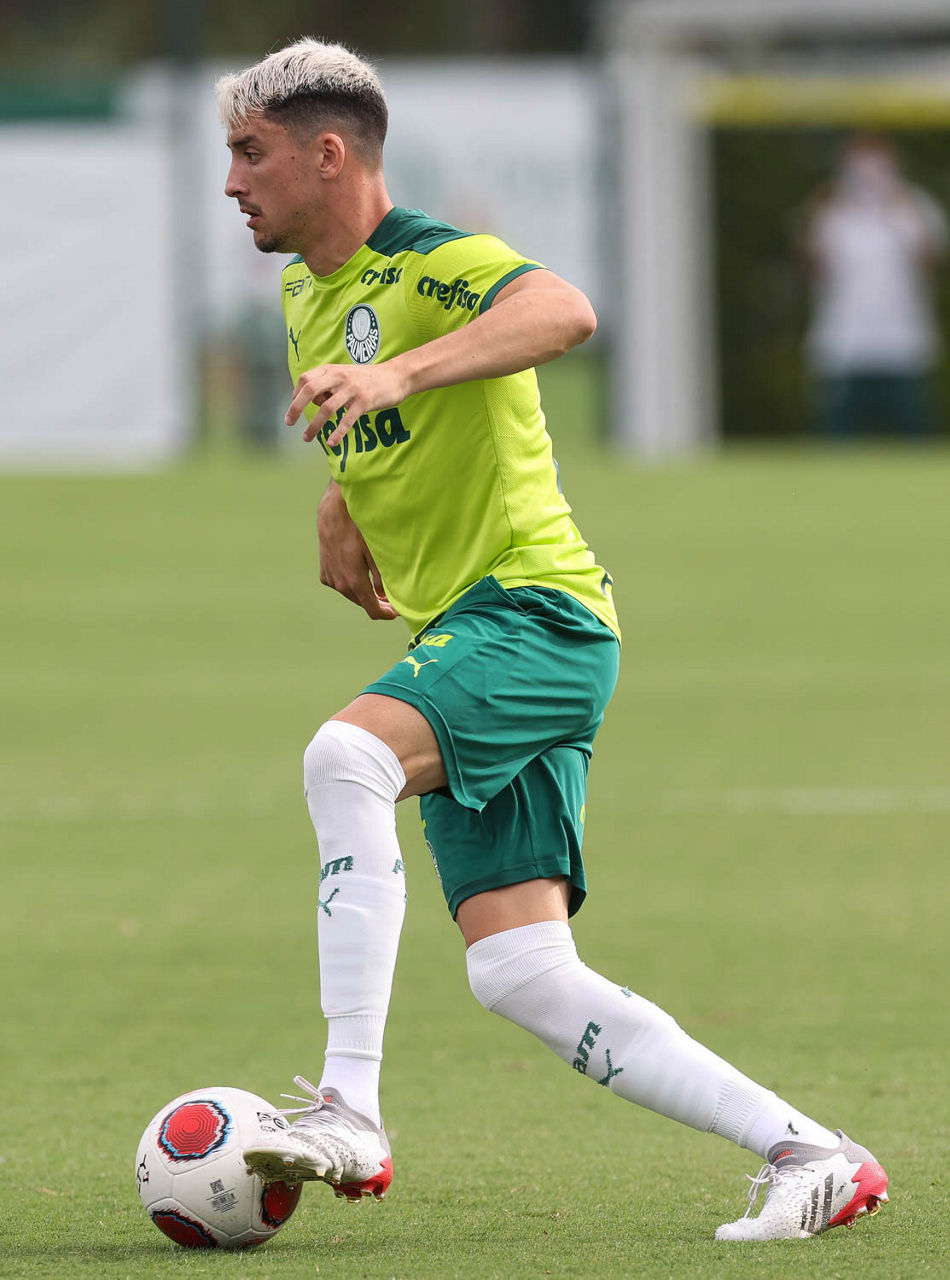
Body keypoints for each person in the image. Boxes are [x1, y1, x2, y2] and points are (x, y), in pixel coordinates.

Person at [217, 39, 889, 1242]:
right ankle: (813, 1152)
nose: (230, 182)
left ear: (327, 156)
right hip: (473, 627)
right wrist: (340, 498)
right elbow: (375, 412)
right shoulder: (306, 292)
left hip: (535, 611)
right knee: (521, 970)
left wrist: (400, 374)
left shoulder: (432, 260)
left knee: (344, 755)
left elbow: (561, 309)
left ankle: (348, 1108)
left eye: (249, 153)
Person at [800, 132, 947, 439]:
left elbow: (931, 259)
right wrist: (819, 211)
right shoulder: (832, 209)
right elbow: (811, 266)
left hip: (903, 342)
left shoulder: (915, 205)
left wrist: (899, 204)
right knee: (838, 434)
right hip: (844, 342)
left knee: (912, 430)